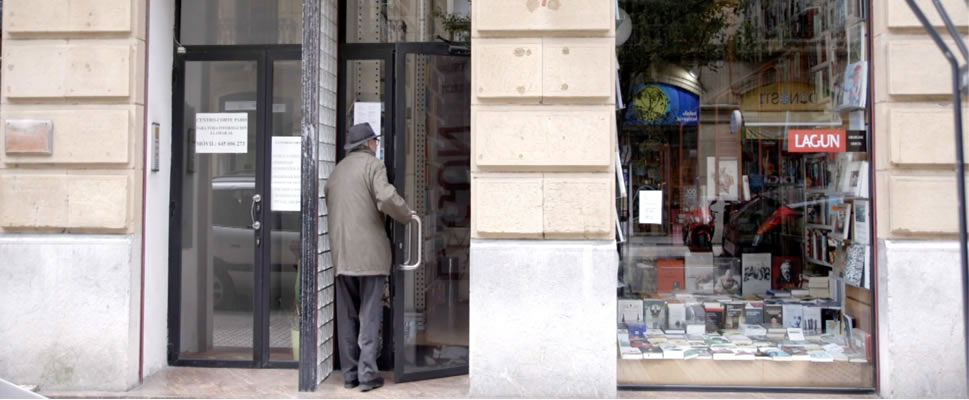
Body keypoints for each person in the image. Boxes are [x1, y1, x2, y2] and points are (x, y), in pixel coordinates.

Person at [325, 123, 414, 392]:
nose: (377, 146)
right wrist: (407, 215)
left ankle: (350, 375)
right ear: (369, 144)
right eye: (376, 141)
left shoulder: (337, 171)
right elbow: (386, 197)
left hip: (342, 255)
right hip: (370, 256)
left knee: (347, 317)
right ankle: (367, 375)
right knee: (370, 315)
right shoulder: (373, 166)